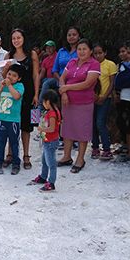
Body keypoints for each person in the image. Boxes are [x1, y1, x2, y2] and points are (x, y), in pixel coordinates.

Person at [57, 38, 101, 174]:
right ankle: (66, 156)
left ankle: (80, 159)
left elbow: (87, 84)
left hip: (84, 103)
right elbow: (62, 78)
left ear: (90, 51)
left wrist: (66, 88)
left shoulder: (94, 64)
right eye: (79, 49)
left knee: (82, 131)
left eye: (84, 49)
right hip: (67, 102)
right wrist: (64, 93)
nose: (81, 52)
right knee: (67, 129)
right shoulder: (72, 62)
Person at [3, 29, 40, 170]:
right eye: (13, 38)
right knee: (10, 124)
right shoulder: (8, 55)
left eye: (19, 37)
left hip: (28, 94)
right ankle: (10, 154)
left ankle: (26, 155)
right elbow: (4, 76)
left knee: (26, 126)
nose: (16, 40)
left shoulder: (32, 54)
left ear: (24, 38)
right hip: (11, 95)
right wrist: (6, 68)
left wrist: (36, 94)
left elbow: (36, 75)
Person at [0, 64, 24, 175]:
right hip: (1, 119)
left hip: (13, 120)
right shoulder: (3, 85)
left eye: (14, 76)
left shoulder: (19, 86)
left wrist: (9, 86)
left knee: (14, 143)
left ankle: (16, 164)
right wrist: (1, 86)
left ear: (19, 78)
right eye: (9, 74)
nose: (10, 77)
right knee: (0, 143)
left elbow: (16, 96)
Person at [40, 27, 81, 110]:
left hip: (75, 80)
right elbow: (54, 70)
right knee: (46, 83)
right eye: (69, 35)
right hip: (59, 79)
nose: (71, 37)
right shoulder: (61, 51)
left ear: (79, 36)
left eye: (74, 34)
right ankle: (40, 107)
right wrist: (61, 80)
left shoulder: (81, 51)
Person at [29, 90, 62, 192]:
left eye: (43, 102)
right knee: (44, 160)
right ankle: (43, 177)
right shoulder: (54, 111)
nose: (43, 104)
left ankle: (51, 182)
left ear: (48, 102)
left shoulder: (52, 114)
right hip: (48, 140)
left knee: (51, 163)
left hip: (50, 141)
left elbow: (52, 128)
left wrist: (42, 129)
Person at [91, 42, 117, 161]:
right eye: (95, 53)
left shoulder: (110, 64)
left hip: (105, 99)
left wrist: (105, 96)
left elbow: (112, 83)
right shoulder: (90, 64)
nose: (97, 55)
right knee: (92, 124)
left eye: (100, 53)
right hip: (92, 98)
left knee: (100, 123)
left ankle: (106, 149)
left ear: (105, 53)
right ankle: (95, 147)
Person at [38, 40, 57, 106]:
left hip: (56, 79)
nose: (48, 49)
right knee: (38, 82)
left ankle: (40, 104)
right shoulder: (45, 60)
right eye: (47, 48)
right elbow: (42, 73)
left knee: (46, 83)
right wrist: (37, 81)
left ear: (54, 48)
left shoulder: (58, 56)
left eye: (50, 47)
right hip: (47, 78)